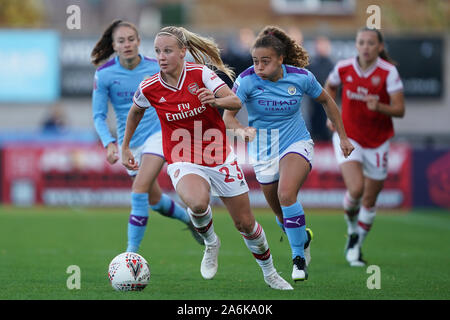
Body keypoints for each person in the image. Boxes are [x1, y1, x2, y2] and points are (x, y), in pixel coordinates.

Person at [122, 26, 293, 290]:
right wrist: (125, 148)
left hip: (219, 157)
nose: (161, 56)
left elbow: (235, 102)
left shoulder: (201, 74)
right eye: (157, 51)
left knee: (246, 224)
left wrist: (214, 100)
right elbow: (135, 112)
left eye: (167, 50)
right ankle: (211, 242)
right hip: (181, 157)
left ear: (183, 52)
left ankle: (270, 273)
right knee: (197, 203)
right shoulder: (150, 87)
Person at [223, 26, 354, 282]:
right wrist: (241, 131)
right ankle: (302, 237)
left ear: (281, 59)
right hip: (262, 150)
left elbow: (327, 101)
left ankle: (298, 259)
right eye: (255, 61)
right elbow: (228, 117)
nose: (259, 66)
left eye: (266, 61)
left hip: (296, 142)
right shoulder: (246, 80)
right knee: (282, 215)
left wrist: (343, 136)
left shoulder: (301, 77)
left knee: (286, 194)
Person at [90, 20, 204, 253]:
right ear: (114, 45)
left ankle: (130, 256)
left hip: (159, 135)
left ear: (139, 41)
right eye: (121, 41)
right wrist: (110, 144)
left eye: (131, 39)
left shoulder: (157, 68)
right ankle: (190, 220)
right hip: (129, 143)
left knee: (138, 190)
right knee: (154, 201)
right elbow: (99, 116)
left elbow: (186, 81)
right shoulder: (104, 75)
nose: (127, 44)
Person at [324, 27, 405, 267]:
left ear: (379, 47)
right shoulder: (344, 67)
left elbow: (400, 110)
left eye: (371, 43)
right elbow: (329, 88)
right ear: (356, 45)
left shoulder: (388, 73)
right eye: (362, 42)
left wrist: (379, 107)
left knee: (369, 200)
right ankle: (352, 231)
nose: (366, 47)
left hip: (378, 141)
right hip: (348, 136)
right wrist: (331, 115)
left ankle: (357, 245)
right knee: (356, 189)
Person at [306, 36, 334, 141]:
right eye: (319, 45)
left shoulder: (332, 65)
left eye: (323, 45)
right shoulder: (312, 64)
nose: (321, 47)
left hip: (328, 102)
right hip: (314, 103)